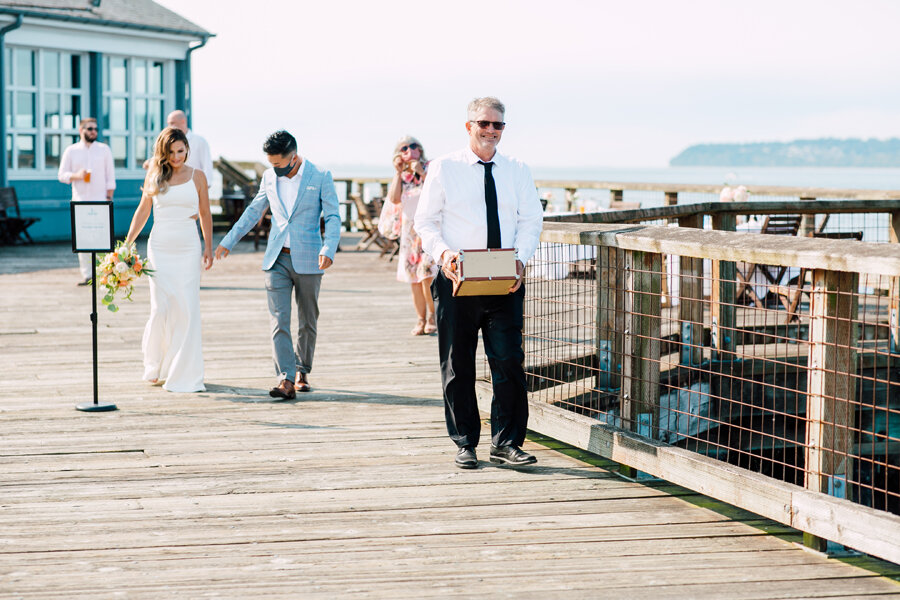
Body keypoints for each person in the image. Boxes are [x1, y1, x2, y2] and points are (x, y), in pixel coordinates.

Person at [416, 97, 544, 469]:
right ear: (469, 125)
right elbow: (425, 223)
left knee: (508, 361)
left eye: (498, 125)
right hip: (457, 279)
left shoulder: (517, 169)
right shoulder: (443, 168)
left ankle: (506, 443)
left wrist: (521, 259)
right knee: (458, 364)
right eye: (484, 123)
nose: (491, 130)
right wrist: (444, 256)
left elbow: (530, 219)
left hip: (505, 280)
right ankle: (465, 442)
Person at [215, 130, 340, 400]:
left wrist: (329, 247)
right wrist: (229, 240)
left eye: (278, 164)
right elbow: (253, 210)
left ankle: (302, 370)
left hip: (310, 257)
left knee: (307, 320)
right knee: (279, 320)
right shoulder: (269, 176)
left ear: (293, 157)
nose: (275, 169)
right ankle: (285, 379)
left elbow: (332, 216)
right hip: (277, 259)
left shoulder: (320, 176)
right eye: (271, 164)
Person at [124, 127, 214, 392]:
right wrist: (128, 245)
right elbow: (143, 211)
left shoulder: (198, 176)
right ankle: (155, 365)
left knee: (186, 307)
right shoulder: (155, 174)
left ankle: (182, 370)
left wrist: (209, 247)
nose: (176, 157)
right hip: (160, 246)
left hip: (187, 247)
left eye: (181, 151)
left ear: (187, 149)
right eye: (171, 152)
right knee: (161, 306)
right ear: (164, 152)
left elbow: (206, 214)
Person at [386, 136, 439, 335]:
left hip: (429, 231)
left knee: (426, 275)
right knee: (414, 279)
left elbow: (438, 190)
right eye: (404, 148)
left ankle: (432, 316)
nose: (410, 150)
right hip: (410, 234)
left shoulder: (431, 168)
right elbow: (394, 199)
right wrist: (398, 173)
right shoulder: (402, 175)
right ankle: (420, 319)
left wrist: (420, 171)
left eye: (414, 146)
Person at [58, 118, 116, 285]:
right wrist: (76, 176)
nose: (93, 132)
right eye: (90, 128)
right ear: (81, 130)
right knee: (83, 239)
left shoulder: (104, 150)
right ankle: (88, 275)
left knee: (101, 238)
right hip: (80, 201)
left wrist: (108, 198)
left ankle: (104, 274)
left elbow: (110, 177)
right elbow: (61, 175)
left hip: (100, 201)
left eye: (95, 129)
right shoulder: (71, 151)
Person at [165, 110, 214, 184]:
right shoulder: (167, 142)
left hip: (195, 189)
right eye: (168, 124)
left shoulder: (200, 142)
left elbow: (207, 169)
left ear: (183, 121)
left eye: (172, 123)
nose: (169, 127)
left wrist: (201, 190)